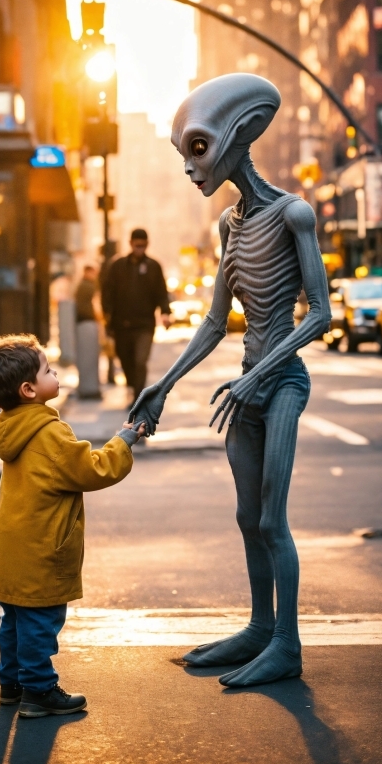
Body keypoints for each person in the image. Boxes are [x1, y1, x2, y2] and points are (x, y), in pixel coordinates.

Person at [131, 74, 331, 687]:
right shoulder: (230, 225)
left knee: (273, 521)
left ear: (238, 136)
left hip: (283, 384)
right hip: (246, 385)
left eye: (197, 150)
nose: (191, 171)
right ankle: (259, 629)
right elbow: (216, 322)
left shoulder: (294, 213)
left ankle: (287, 646)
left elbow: (320, 314)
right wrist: (160, 386)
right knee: (248, 520)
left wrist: (262, 377)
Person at [0, 333, 145, 717]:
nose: (57, 374)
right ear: (29, 389)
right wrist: (124, 440)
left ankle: (11, 685)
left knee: (15, 622)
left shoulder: (10, 428)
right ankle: (39, 691)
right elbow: (93, 469)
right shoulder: (49, 433)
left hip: (11, 546)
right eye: (49, 370)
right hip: (41, 548)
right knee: (40, 624)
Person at [102, 228, 172, 404]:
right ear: (131, 244)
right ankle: (133, 386)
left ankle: (138, 397)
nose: (139, 248)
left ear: (147, 245)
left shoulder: (153, 267)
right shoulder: (117, 267)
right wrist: (108, 315)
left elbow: (161, 293)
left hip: (144, 325)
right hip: (121, 325)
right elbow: (107, 292)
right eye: (137, 245)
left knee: (140, 361)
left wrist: (165, 312)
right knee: (125, 359)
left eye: (143, 245)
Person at [74, 265, 101, 399]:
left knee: (86, 357)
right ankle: (90, 389)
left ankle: (87, 387)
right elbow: (95, 304)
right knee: (89, 356)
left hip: (83, 323)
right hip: (87, 322)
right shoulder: (89, 286)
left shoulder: (82, 285)